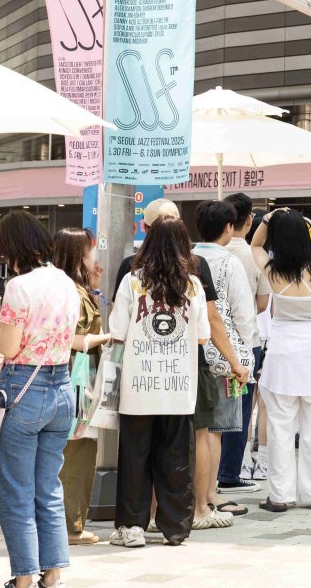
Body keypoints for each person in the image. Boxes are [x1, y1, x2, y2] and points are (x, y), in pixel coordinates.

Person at [0, 211, 80, 588]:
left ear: (10, 249)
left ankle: (25, 577)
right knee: (48, 488)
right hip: (61, 389)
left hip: (24, 391)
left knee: (16, 492)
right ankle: (53, 573)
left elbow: (10, 346)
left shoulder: (19, 286)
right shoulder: (64, 281)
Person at [114, 199, 250, 485]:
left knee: (142, 446)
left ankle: (149, 508)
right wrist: (235, 362)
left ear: (145, 228)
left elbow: (119, 326)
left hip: (141, 372)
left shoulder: (131, 267)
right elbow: (211, 321)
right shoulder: (195, 267)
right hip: (186, 369)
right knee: (195, 436)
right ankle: (199, 503)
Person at [108, 217, 214, 548]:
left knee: (135, 458)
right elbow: (203, 336)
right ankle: (175, 528)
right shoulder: (193, 285)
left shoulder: (132, 281)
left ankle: (133, 527)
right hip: (179, 388)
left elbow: (117, 331)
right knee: (177, 459)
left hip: (138, 387)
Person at [251, 209, 311, 511]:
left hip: (282, 355)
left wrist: (267, 220)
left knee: (280, 426)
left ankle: (280, 496)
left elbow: (255, 245)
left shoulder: (272, 272)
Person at [191, 201, 256, 526]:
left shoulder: (188, 257)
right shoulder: (231, 262)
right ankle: (210, 494)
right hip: (226, 354)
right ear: (229, 227)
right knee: (216, 431)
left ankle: (197, 494)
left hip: (195, 350)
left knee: (198, 431)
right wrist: (246, 352)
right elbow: (243, 313)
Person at [52, 228, 112, 546]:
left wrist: (95, 287)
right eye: (89, 250)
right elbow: (74, 339)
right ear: (78, 255)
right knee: (78, 451)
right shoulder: (72, 292)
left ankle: (67, 523)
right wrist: (108, 337)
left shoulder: (73, 288)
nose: (94, 256)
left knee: (74, 449)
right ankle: (70, 526)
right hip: (77, 378)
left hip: (75, 377)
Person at [220, 193, 270, 488]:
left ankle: (209, 473)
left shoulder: (206, 254)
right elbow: (262, 304)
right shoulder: (254, 257)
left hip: (210, 341)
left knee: (211, 410)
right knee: (240, 410)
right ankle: (229, 473)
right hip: (246, 341)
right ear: (249, 220)